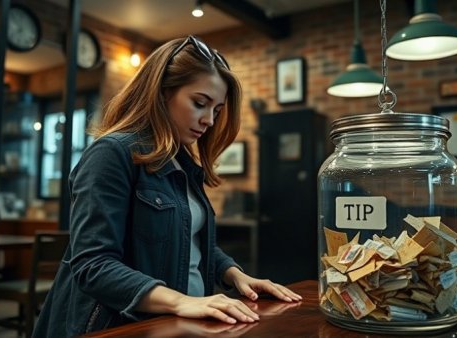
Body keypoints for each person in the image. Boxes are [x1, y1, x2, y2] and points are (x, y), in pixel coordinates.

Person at [33, 35, 301, 337]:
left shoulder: (181, 162)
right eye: (200, 103)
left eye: (216, 109)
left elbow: (191, 241)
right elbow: (93, 265)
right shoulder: (113, 154)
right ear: (161, 93)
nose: (209, 120)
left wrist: (235, 275)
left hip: (175, 326)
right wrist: (180, 302)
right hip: (118, 328)